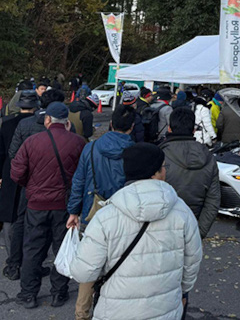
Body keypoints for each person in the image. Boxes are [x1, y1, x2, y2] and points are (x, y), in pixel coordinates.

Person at [69, 142, 203, 320]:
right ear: (155, 173)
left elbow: (82, 272)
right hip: (166, 310)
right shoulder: (182, 212)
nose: (165, 171)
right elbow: (192, 261)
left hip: (115, 312)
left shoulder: (105, 217)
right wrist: (181, 290)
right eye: (164, 167)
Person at [10, 102, 86, 309]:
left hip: (36, 204)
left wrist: (31, 186)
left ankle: (28, 293)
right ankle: (59, 292)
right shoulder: (78, 143)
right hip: (65, 205)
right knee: (62, 247)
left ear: (47, 120)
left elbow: (16, 172)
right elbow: (84, 175)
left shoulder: (32, 142)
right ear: (67, 122)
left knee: (32, 249)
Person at [67, 105, 135, 320]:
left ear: (111, 124)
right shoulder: (136, 152)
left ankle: (82, 313)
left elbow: (78, 181)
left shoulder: (91, 148)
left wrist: (73, 211)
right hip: (124, 215)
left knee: (90, 265)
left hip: (92, 211)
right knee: (120, 265)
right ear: (132, 127)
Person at [0, 90, 39, 279]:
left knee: (9, 216)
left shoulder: (6, 123)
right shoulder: (39, 124)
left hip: (10, 171)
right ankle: (28, 258)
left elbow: (0, 152)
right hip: (33, 174)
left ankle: (12, 258)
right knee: (29, 216)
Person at [160, 107, 220, 239]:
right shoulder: (208, 156)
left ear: (169, 128)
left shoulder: (160, 156)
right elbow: (213, 200)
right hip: (193, 226)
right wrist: (199, 232)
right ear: (193, 130)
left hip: (161, 230)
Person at [9, 88, 66, 160]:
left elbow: (13, 152)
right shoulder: (66, 124)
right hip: (57, 164)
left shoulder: (24, 123)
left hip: (30, 163)